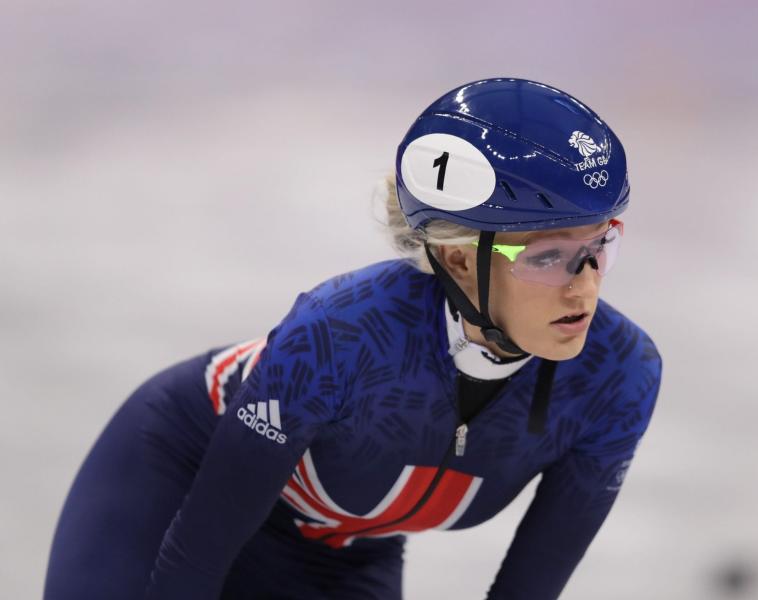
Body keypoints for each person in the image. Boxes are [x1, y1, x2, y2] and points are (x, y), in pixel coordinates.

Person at [44, 77, 663, 600]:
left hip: (343, 546)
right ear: (457, 259)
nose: (584, 290)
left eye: (600, 245)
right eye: (549, 256)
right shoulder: (338, 334)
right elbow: (196, 556)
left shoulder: (617, 377)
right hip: (178, 482)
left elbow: (528, 588)